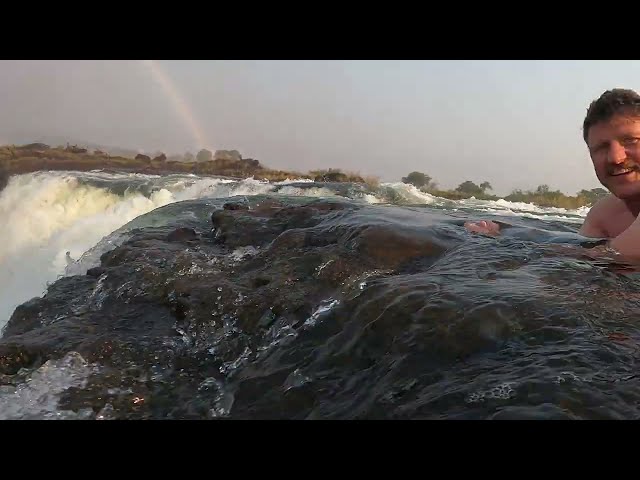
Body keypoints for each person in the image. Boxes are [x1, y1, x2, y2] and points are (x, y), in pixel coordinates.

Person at [465, 88, 640, 260]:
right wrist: (494, 240)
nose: (615, 158)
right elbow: (578, 269)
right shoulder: (603, 215)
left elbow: (613, 256)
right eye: (601, 147)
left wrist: (500, 243)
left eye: (631, 140)